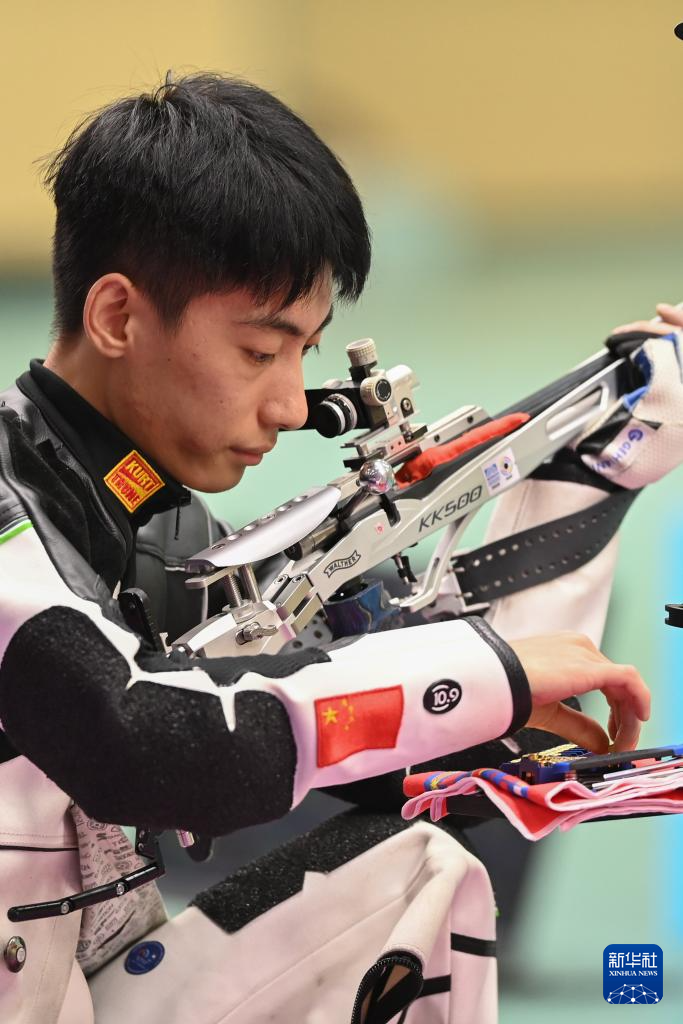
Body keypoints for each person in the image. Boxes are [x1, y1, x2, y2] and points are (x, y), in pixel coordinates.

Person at [0, 74, 655, 1022]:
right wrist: (477, 675)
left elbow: (423, 766)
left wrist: (608, 455)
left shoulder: (150, 519)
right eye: (260, 352)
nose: (289, 404)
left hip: (80, 987)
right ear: (117, 318)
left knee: (423, 868)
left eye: (306, 353)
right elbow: (143, 741)